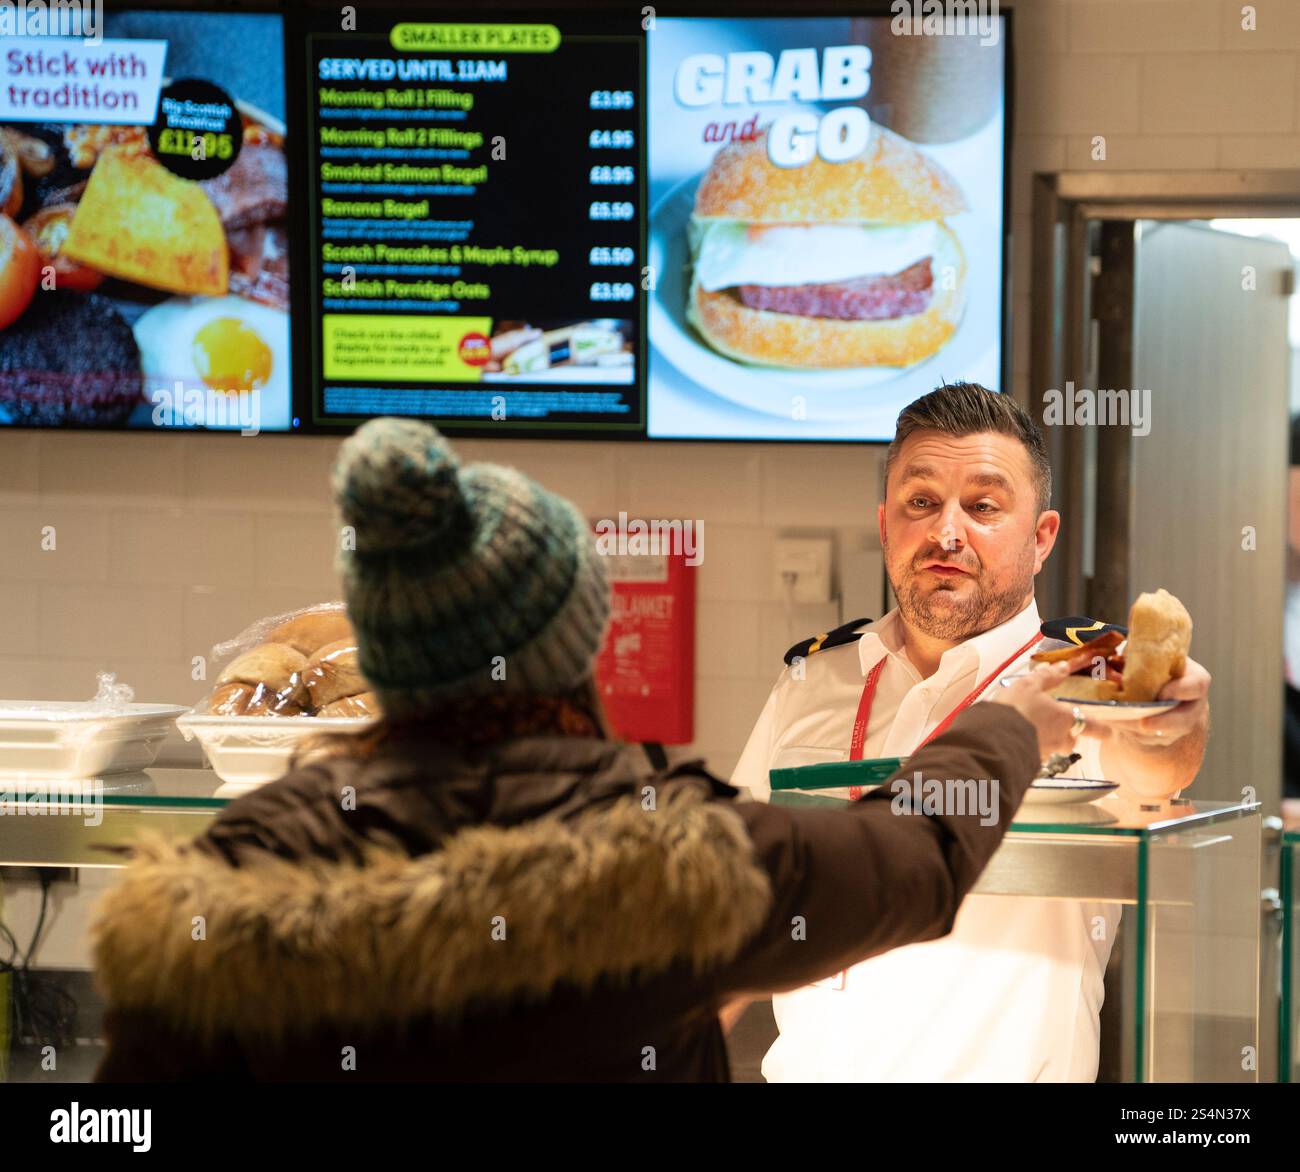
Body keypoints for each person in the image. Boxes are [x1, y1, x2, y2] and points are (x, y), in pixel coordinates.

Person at [92, 416, 1090, 1082]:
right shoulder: (672, 861)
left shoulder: (225, 875)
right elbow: (915, 857)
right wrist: (1015, 723)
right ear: (581, 643)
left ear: (384, 659)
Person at [733, 381, 1212, 1083]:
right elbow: (736, 889)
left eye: (983, 506)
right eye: (921, 503)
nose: (946, 532)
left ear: (1042, 537)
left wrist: (1172, 721)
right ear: (885, 524)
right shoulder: (813, 678)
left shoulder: (1092, 680)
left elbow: (1159, 772)